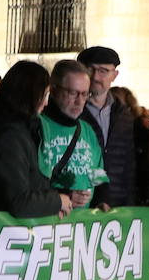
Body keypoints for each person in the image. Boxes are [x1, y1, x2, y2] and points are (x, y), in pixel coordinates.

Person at [0, 60, 72, 218]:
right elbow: (18, 201)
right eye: (45, 94)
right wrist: (57, 201)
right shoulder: (10, 136)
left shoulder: (23, 130)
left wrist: (52, 205)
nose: (47, 102)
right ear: (31, 94)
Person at [41, 59, 110, 210]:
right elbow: (29, 184)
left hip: (83, 225)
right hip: (49, 222)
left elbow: (98, 175)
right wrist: (64, 195)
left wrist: (102, 201)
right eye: (72, 93)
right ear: (53, 90)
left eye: (85, 94)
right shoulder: (38, 125)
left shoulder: (87, 130)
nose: (79, 102)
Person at [77, 46, 136, 207]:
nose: (96, 77)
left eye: (103, 71)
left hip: (119, 203)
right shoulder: (73, 112)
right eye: (90, 69)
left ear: (114, 75)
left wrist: (130, 202)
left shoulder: (125, 115)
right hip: (82, 201)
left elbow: (129, 164)